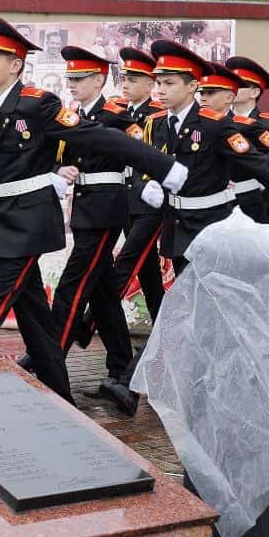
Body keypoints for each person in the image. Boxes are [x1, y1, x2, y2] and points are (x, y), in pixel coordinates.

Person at [0, 16, 182, 403]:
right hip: (2, 221)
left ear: (15, 65)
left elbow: (96, 136)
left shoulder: (38, 104)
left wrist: (162, 167)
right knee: (37, 322)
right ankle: (59, 395)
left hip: (28, 224)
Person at [102, 44, 269, 415]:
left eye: (169, 83)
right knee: (199, 313)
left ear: (191, 86)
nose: (161, 90)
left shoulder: (216, 126)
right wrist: (144, 187)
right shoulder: (156, 125)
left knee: (184, 308)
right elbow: (141, 166)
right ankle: (212, 383)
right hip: (178, 231)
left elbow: (261, 169)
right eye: (159, 83)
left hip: (214, 231)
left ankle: (131, 381)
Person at [47, 46, 146, 406]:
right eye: (70, 79)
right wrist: (59, 170)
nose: (72, 85)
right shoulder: (73, 116)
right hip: (86, 207)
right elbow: (59, 155)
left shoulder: (116, 114)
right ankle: (122, 370)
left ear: (99, 80)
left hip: (107, 207)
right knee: (104, 293)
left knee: (73, 286)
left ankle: (48, 357)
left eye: (80, 79)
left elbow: (142, 149)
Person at [69, 48, 168, 350]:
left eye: (134, 78)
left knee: (125, 263)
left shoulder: (154, 116)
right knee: (149, 275)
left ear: (151, 84)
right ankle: (163, 338)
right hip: (122, 201)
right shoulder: (121, 110)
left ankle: (84, 324)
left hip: (147, 202)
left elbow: (152, 156)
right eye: (124, 77)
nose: (126, 83)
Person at [225, 55, 269, 223]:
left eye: (239, 84)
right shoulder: (219, 122)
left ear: (254, 92)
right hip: (226, 204)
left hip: (265, 205)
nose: (232, 88)